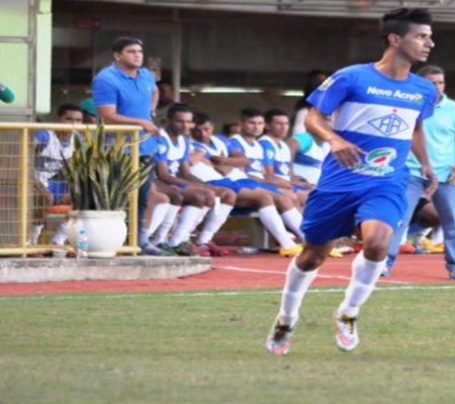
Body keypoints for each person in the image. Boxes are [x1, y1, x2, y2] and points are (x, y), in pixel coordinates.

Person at [265, 7, 438, 355]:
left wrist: (426, 163)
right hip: (339, 182)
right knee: (313, 255)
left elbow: (415, 128)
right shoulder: (352, 77)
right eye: (421, 36)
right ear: (395, 38)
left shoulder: (423, 89)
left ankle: (348, 311)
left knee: (377, 243)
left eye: (430, 37)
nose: (429, 43)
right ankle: (287, 317)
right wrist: (335, 140)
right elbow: (313, 118)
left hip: (387, 180)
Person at [385, 64, 455, 280]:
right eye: (431, 83)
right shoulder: (409, 105)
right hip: (412, 171)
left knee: (452, 221)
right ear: (420, 84)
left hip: (445, 175)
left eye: (440, 82)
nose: (437, 87)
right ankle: (385, 263)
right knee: (400, 217)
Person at [91, 36, 168, 256]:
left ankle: (139, 240)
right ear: (117, 55)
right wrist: (140, 122)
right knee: (116, 196)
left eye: (139, 52)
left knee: (143, 196)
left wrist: (150, 113)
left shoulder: (145, 75)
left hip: (145, 146)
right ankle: (111, 240)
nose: (137, 55)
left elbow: (154, 91)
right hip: (118, 149)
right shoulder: (106, 79)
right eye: (131, 51)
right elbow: (108, 115)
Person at [189, 111, 303, 257]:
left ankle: (309, 241)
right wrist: (228, 163)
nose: (203, 134)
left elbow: (244, 160)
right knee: (267, 197)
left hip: (237, 180)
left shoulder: (220, 140)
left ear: (212, 126)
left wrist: (225, 160)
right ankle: (287, 243)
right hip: (225, 182)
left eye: (206, 129)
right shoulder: (193, 146)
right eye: (197, 130)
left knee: (282, 198)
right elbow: (217, 167)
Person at [151, 104, 233, 257]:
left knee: (209, 193)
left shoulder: (184, 140)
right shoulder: (161, 138)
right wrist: (197, 186)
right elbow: (163, 175)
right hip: (157, 181)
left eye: (189, 122)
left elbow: (185, 172)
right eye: (180, 121)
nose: (185, 126)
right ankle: (161, 240)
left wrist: (204, 185)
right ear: (169, 121)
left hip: (172, 180)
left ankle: (179, 240)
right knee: (189, 195)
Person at [228, 108, 307, 243]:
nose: (256, 127)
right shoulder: (236, 142)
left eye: (259, 123)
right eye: (252, 123)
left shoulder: (258, 145)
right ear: (241, 124)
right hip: (242, 185)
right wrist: (283, 184)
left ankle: (312, 237)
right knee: (289, 196)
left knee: (311, 195)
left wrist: (295, 182)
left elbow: (264, 174)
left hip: (258, 184)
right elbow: (243, 173)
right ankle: (305, 239)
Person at [29, 104, 83, 246]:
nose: (74, 124)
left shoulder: (77, 138)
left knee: (83, 196)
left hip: (50, 183)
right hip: (30, 181)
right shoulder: (44, 136)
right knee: (46, 198)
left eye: (78, 120)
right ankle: (32, 242)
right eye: (69, 119)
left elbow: (72, 167)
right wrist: (33, 182)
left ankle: (57, 241)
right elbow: (21, 159)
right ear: (58, 119)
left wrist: (74, 187)